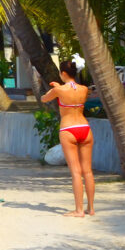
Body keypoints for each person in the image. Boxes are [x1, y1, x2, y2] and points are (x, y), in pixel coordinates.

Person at [41, 59, 95, 218]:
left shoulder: (60, 90)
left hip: (68, 129)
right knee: (88, 171)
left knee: (76, 172)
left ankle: (79, 210)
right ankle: (90, 208)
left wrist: (57, 88)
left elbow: (44, 98)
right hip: (85, 128)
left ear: (63, 74)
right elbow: (73, 91)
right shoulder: (84, 89)